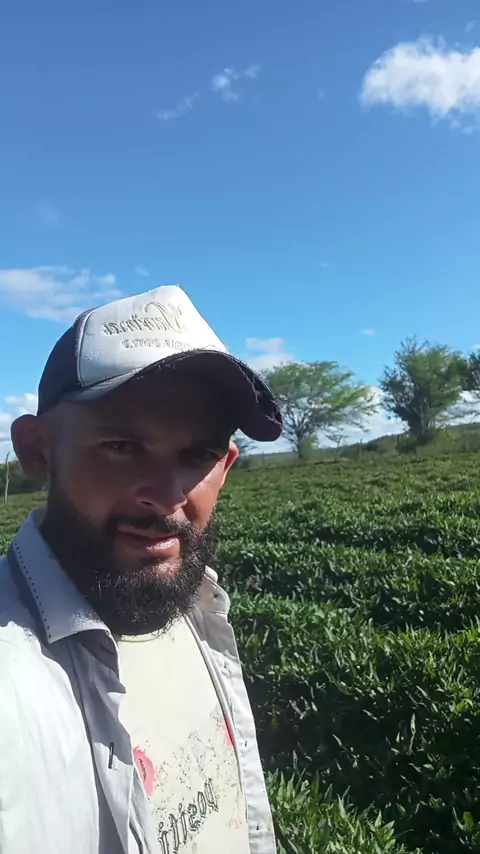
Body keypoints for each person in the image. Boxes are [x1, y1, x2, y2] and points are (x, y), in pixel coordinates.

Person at [0, 285, 283, 854]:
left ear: (226, 465)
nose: (167, 496)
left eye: (198, 455)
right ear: (38, 449)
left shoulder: (196, 606)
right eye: (123, 446)